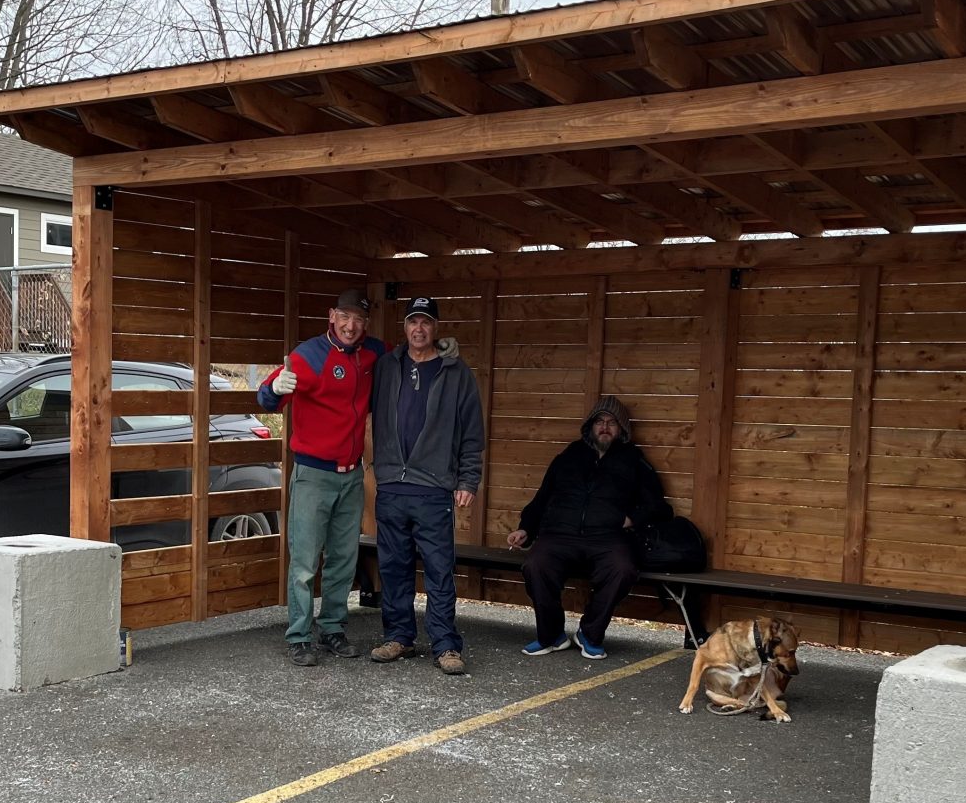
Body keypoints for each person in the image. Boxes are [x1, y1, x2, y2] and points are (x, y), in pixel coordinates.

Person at [257, 288, 383, 668]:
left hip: (351, 476)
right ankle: (298, 635)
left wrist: (440, 349)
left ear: (365, 324)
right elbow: (268, 397)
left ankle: (332, 628)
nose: (350, 325)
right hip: (314, 474)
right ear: (332, 316)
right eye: (344, 316)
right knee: (305, 561)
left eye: (358, 319)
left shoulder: (372, 352)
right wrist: (273, 389)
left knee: (343, 560)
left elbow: (409, 355)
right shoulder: (307, 355)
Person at [369, 296, 485, 675]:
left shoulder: (455, 372)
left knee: (438, 569)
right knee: (393, 567)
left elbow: (472, 431)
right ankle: (399, 636)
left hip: (434, 488)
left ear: (436, 328)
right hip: (391, 485)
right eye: (413, 322)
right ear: (404, 327)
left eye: (426, 323)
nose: (419, 329)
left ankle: (446, 645)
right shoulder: (387, 366)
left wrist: (468, 478)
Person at [506, 396, 672, 659]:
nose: (605, 427)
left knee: (623, 569)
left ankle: (590, 633)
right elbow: (543, 497)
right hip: (560, 534)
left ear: (622, 429)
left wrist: (630, 519)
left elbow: (658, 506)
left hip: (607, 537)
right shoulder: (569, 455)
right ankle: (551, 635)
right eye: (600, 421)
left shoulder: (634, 460)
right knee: (535, 565)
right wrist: (526, 528)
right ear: (590, 426)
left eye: (612, 423)